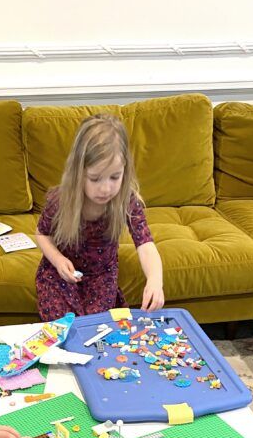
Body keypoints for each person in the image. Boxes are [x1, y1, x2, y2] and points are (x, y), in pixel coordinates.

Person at [35, 113, 164, 321]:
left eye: (115, 177)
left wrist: (156, 280)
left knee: (99, 328)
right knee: (62, 325)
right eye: (95, 178)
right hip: (59, 274)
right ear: (78, 172)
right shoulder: (60, 200)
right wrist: (58, 260)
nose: (105, 189)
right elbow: (42, 234)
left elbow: (145, 244)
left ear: (125, 171)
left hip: (101, 276)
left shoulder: (126, 200)